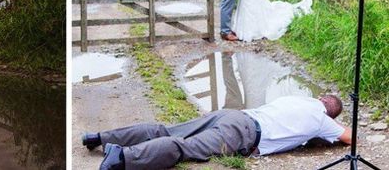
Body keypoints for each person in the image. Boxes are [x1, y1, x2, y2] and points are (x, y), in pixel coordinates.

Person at [82, 95, 352, 170]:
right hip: (244, 134)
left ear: (319, 97)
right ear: (331, 113)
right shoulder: (321, 119)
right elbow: (349, 138)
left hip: (234, 115)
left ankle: (101, 138)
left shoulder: (299, 98)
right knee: (183, 148)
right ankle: (122, 158)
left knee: (166, 129)